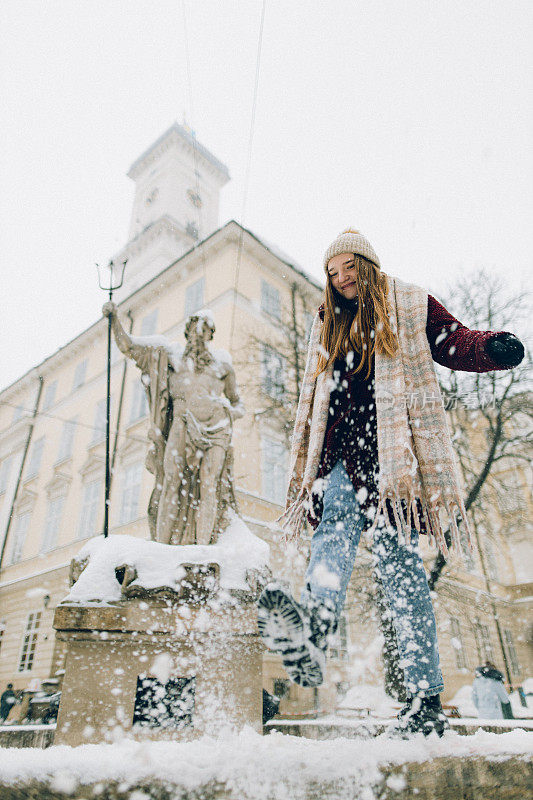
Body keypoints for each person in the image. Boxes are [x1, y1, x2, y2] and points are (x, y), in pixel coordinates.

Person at [257, 229, 524, 737]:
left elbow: (452, 343)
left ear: (366, 262)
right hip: (339, 458)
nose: (341, 278)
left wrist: (491, 348)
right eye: (332, 273)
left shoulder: (408, 302)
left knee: (401, 569)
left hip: (393, 462)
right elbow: (318, 394)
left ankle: (424, 701)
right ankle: (314, 627)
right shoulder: (326, 323)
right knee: (332, 532)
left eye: (348, 267)